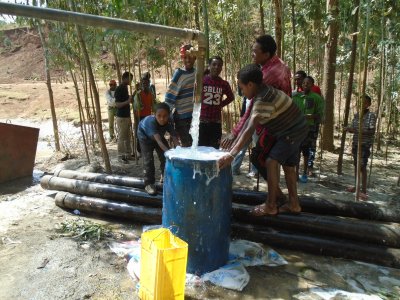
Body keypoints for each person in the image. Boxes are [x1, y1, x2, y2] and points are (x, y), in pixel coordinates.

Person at [219, 64, 308, 216]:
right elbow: (248, 122)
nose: (241, 91)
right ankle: (293, 204)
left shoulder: (263, 99)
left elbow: (250, 129)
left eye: (242, 87)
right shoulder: (263, 92)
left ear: (251, 84)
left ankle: (271, 205)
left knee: (270, 161)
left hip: (291, 131)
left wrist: (232, 154)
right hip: (297, 127)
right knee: (288, 166)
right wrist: (233, 145)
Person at [222, 34, 291, 178]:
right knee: (276, 162)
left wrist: (234, 134)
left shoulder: (269, 74)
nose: (252, 54)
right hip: (284, 122)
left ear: (266, 54)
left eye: (255, 52)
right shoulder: (278, 65)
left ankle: (275, 198)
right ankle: (281, 198)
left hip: (277, 125)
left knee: (262, 159)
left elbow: (251, 111)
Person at [137, 102, 180, 195]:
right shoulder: (150, 122)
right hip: (145, 137)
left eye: (165, 116)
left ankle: (165, 177)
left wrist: (179, 151)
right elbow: (159, 142)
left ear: (169, 115)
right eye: (159, 115)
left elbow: (174, 137)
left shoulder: (169, 121)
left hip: (158, 136)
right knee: (148, 160)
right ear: (154, 114)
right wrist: (171, 153)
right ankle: (149, 183)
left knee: (165, 157)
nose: (162, 118)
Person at [292, 76, 324, 182]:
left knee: (306, 151)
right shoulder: (296, 97)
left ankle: (304, 173)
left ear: (312, 85)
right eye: (304, 83)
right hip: (297, 128)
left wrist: (312, 116)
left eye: (308, 83)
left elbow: (320, 115)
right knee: (296, 151)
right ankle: (295, 174)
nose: (305, 84)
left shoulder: (317, 98)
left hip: (309, 129)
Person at [198, 56, 234, 149]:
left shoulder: (224, 84)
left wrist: (220, 105)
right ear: (209, 66)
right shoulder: (202, 80)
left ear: (222, 68)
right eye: (214, 64)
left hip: (216, 123)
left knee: (214, 149)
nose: (216, 67)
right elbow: (195, 95)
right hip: (202, 122)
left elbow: (231, 97)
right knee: (201, 149)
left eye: (219, 65)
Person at [345, 95, 376, 200]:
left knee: (362, 166)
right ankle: (356, 186)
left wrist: (356, 130)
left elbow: (371, 130)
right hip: (356, 143)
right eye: (361, 102)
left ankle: (363, 190)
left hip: (364, 144)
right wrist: (348, 129)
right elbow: (353, 128)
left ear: (368, 104)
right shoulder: (357, 115)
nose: (362, 104)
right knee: (356, 165)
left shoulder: (371, 115)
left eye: (365, 102)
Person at [165, 44, 196, 147]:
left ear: (195, 57)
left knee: (195, 145)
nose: (188, 60)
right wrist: (167, 115)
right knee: (186, 146)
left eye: (190, 57)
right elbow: (170, 96)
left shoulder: (198, 73)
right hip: (182, 118)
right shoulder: (179, 74)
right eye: (185, 57)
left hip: (195, 117)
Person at [115, 71, 133, 163]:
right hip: (121, 117)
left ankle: (128, 154)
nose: (131, 81)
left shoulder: (125, 88)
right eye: (130, 79)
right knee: (122, 137)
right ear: (125, 78)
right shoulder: (119, 89)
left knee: (127, 136)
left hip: (126, 116)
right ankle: (120, 156)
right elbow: (117, 104)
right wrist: (127, 101)